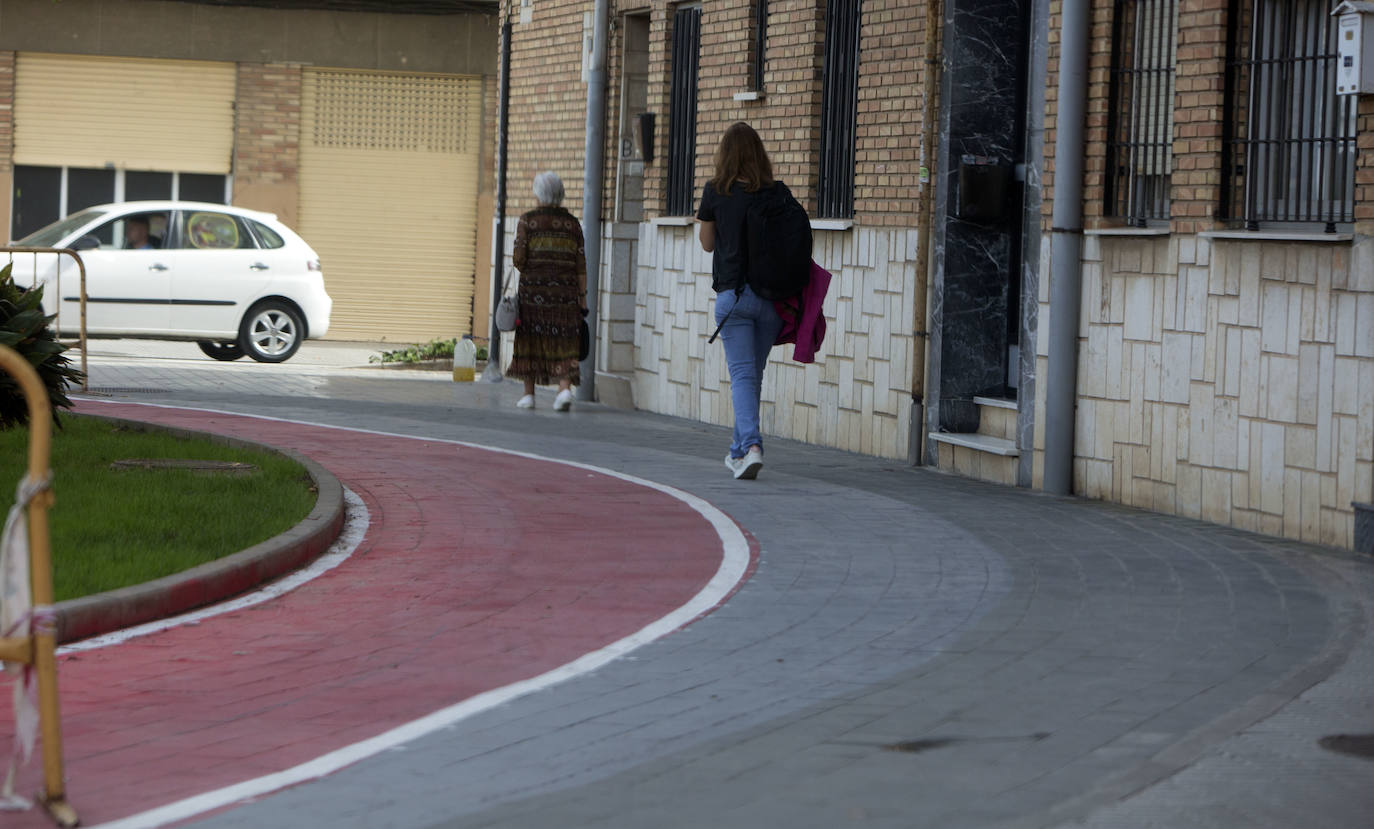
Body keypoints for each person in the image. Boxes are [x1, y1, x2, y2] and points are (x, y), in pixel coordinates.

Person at [697, 122, 788, 480]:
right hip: (770, 300)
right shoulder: (775, 193)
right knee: (752, 377)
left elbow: (706, 243)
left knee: (742, 377)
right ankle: (738, 452)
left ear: (725, 154)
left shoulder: (715, 191)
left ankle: (751, 446)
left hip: (733, 298)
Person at [508, 171, 587, 411]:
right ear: (561, 194)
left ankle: (529, 395)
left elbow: (519, 260)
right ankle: (564, 390)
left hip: (533, 296)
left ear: (537, 193)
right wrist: (582, 298)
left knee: (530, 341)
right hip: (565, 297)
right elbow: (581, 265)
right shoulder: (573, 224)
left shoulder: (527, 221)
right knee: (565, 340)